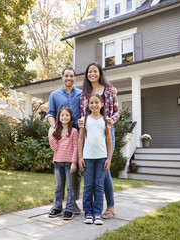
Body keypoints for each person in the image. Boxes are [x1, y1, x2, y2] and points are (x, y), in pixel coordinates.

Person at [79, 62, 120, 219]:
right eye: (89, 72)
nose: (92, 74)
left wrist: (111, 120)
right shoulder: (84, 94)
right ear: (87, 75)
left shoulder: (109, 90)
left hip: (106, 131)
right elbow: (82, 113)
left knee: (105, 168)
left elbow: (117, 111)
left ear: (99, 73)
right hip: (89, 133)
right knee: (91, 175)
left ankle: (110, 207)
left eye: (95, 71)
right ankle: (91, 208)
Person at [47, 67, 82, 214]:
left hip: (78, 136)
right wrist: (55, 129)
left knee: (76, 172)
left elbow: (95, 102)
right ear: (62, 77)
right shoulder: (54, 95)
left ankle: (72, 203)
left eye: (71, 76)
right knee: (60, 178)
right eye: (66, 76)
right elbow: (50, 114)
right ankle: (58, 204)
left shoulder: (81, 94)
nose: (69, 78)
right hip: (61, 138)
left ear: (75, 78)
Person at [78, 94, 112, 225]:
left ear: (102, 104)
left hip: (101, 158)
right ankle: (88, 213)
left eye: (97, 102)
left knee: (98, 186)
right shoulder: (84, 120)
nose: (94, 105)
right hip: (88, 158)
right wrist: (80, 157)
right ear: (88, 105)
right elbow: (81, 139)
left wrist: (109, 158)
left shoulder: (106, 121)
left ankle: (97, 213)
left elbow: (109, 140)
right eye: (91, 102)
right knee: (88, 186)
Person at [48, 106, 78, 220]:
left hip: (69, 163)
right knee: (58, 187)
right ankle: (57, 207)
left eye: (67, 115)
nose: (64, 117)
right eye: (62, 115)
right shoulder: (57, 131)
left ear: (70, 117)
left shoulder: (74, 131)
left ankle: (69, 209)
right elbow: (55, 148)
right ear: (59, 118)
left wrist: (74, 162)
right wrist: (50, 135)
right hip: (58, 162)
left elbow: (76, 148)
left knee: (70, 187)